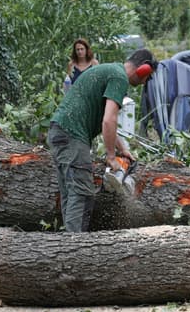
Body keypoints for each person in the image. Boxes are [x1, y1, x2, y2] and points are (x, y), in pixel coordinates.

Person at [48, 49, 157, 232]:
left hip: (60, 131)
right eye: (148, 76)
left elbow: (106, 122)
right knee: (82, 194)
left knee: (70, 193)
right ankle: (75, 247)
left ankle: (67, 244)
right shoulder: (119, 77)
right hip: (73, 135)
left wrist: (122, 149)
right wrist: (111, 157)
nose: (146, 81)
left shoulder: (111, 70)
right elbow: (109, 119)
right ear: (143, 69)